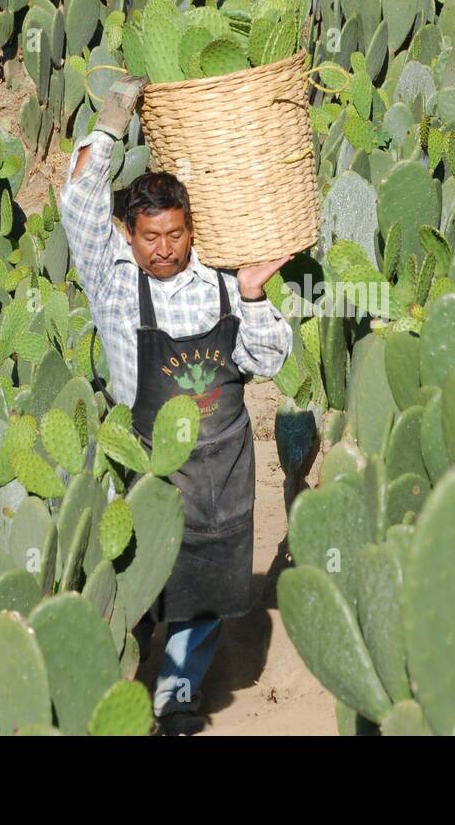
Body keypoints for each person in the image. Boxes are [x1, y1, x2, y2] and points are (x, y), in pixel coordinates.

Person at [57, 75, 294, 735]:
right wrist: (111, 120)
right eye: (150, 235)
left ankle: (176, 702)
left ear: (192, 230)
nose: (163, 249)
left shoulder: (222, 280)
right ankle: (122, 695)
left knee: (207, 592)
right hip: (144, 467)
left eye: (175, 233)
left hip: (221, 470)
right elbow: (77, 200)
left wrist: (252, 293)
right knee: (134, 587)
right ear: (128, 234)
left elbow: (268, 360)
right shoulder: (113, 282)